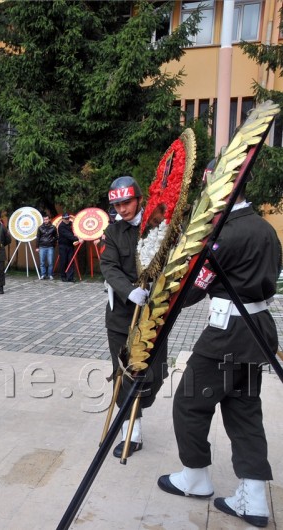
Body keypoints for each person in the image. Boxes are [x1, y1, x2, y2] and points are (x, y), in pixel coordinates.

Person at [157, 191, 281, 528]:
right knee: (245, 411)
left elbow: (194, 288)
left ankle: (195, 477)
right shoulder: (264, 227)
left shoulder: (224, 232)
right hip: (258, 330)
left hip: (228, 333)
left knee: (189, 403)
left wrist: (163, 291)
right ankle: (253, 498)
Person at [101, 175, 166, 458]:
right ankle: (132, 428)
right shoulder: (113, 232)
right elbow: (109, 266)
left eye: (126, 202)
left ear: (139, 199)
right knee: (126, 371)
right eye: (117, 204)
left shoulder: (160, 224)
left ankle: (140, 407)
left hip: (154, 312)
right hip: (122, 314)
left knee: (155, 372)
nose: (122, 209)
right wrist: (129, 292)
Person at [57, 213, 79, 282]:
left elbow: (76, 230)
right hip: (63, 246)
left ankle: (70, 277)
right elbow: (68, 235)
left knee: (71, 261)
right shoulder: (61, 226)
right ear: (62, 219)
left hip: (70, 245)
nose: (67, 220)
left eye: (68, 218)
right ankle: (63, 276)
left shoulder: (71, 224)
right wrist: (77, 238)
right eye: (65, 218)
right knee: (63, 261)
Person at [36, 214, 57, 280]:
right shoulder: (40, 228)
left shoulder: (53, 227)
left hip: (50, 247)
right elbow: (38, 237)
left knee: (50, 262)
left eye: (47, 219)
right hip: (42, 246)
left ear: (49, 219)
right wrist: (37, 247)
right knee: (42, 262)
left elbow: (56, 236)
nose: (45, 221)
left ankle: (50, 274)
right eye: (44, 219)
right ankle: (43, 274)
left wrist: (52, 241)